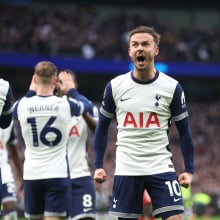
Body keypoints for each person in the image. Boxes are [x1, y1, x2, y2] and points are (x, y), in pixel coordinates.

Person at [93, 25, 194, 220]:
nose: (140, 48)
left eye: (145, 44)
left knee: (176, 218)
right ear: (129, 50)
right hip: (127, 168)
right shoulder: (115, 86)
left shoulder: (171, 87)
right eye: (135, 44)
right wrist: (98, 164)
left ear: (155, 50)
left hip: (161, 166)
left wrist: (189, 169)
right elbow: (102, 128)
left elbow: (184, 132)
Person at [12, 61, 93, 220]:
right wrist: (71, 89)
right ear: (55, 81)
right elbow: (87, 106)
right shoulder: (64, 104)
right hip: (57, 173)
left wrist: (30, 91)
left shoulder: (22, 105)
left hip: (32, 174)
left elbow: (14, 110)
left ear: (35, 79)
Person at [56, 69, 98, 220]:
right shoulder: (50, 108)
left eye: (67, 81)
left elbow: (99, 131)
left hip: (80, 176)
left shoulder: (89, 107)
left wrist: (82, 110)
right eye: (60, 82)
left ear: (74, 85)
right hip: (54, 177)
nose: (63, 85)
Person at [0, 121, 23, 220]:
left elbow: (13, 151)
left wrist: (22, 176)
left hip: (4, 170)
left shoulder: (8, 122)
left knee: (11, 214)